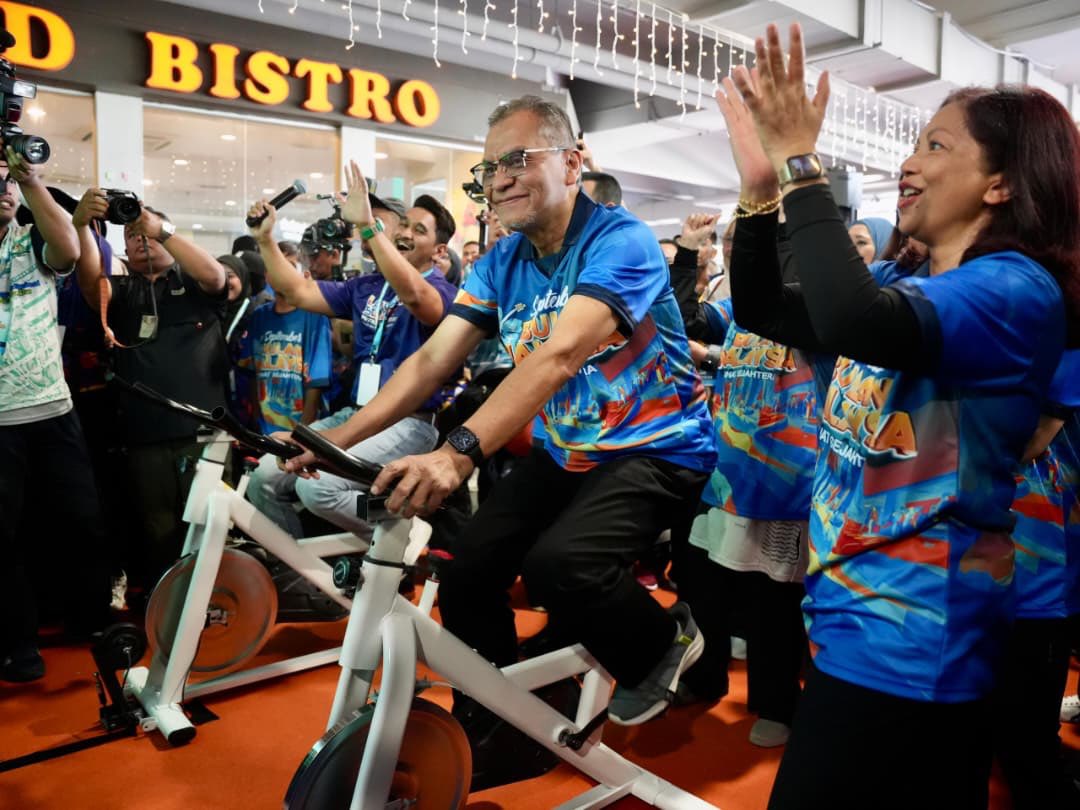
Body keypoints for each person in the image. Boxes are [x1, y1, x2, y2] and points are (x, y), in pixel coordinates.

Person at [720, 23, 1080, 810]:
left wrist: (801, 163)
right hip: (854, 615)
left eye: (937, 147)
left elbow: (852, 320)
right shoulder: (903, 277)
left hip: (919, 638)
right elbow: (759, 308)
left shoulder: (1015, 291)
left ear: (1001, 184)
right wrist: (759, 195)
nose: (907, 163)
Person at [284, 95, 717, 733]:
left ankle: (665, 641)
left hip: (656, 448)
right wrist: (330, 442)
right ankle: (493, 720)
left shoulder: (621, 239)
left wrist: (455, 454)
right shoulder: (500, 263)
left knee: (560, 566)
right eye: (491, 168)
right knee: (467, 576)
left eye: (519, 159)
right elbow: (431, 363)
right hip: (569, 451)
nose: (502, 178)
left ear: (572, 165)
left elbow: (558, 356)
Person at [244, 170, 459, 542]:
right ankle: (301, 576)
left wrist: (367, 229)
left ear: (440, 251)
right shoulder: (366, 286)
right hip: (357, 413)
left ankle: (402, 541)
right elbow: (296, 291)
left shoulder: (442, 291)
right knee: (263, 477)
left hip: (409, 424)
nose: (406, 233)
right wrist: (265, 240)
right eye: (404, 225)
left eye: (419, 231)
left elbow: (415, 297)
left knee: (317, 488)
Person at [73, 191, 229, 590]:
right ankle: (169, 604)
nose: (140, 239)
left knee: (214, 523)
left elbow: (216, 276)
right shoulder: (123, 290)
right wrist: (80, 227)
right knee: (158, 529)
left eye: (147, 231)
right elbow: (93, 288)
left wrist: (162, 229)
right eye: (131, 235)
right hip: (145, 435)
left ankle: (225, 597)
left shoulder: (194, 283)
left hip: (205, 432)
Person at [0, 148, 108, 681]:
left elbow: (67, 250)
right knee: (5, 538)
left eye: (6, 182)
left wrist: (31, 180)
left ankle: (94, 624)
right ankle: (20, 644)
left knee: (82, 523)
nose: (3, 189)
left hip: (51, 410)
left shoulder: (29, 242)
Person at [236, 260, 332, 434]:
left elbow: (317, 378)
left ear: (302, 276)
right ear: (267, 276)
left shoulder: (315, 316)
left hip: (301, 425)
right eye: (275, 268)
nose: (280, 273)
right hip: (264, 424)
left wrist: (304, 428)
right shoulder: (259, 316)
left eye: (287, 269)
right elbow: (251, 370)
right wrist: (257, 417)